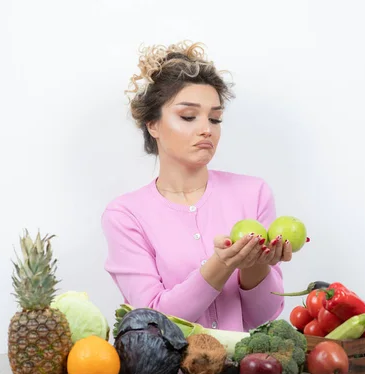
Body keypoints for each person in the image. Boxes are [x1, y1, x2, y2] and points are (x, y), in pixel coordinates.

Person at [101, 40, 294, 333]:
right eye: (188, 116)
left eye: (215, 118)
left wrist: (254, 264)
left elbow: (261, 317)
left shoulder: (253, 194)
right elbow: (153, 321)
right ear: (153, 125)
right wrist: (221, 265)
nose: (207, 128)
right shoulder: (125, 215)